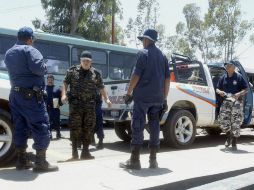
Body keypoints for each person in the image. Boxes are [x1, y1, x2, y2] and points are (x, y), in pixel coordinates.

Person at [4, 27, 58, 172]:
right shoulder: (30, 50)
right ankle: (40, 162)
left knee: (19, 127)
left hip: (15, 96)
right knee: (41, 125)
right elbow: (39, 69)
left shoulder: (9, 53)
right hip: (31, 97)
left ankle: (21, 161)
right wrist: (46, 65)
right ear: (30, 39)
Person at [119, 29, 170, 170]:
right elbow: (167, 80)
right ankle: (153, 161)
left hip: (142, 97)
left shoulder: (143, 54)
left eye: (143, 40)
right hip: (158, 98)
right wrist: (164, 98)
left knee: (138, 125)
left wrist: (128, 92)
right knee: (154, 126)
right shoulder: (163, 56)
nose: (142, 43)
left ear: (147, 40)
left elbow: (136, 75)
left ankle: (135, 160)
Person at [61, 50, 111, 160]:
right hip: (76, 104)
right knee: (75, 128)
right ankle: (74, 152)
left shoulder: (96, 74)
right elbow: (65, 83)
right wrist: (63, 95)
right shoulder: (72, 71)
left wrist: (107, 99)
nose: (86, 63)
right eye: (84, 61)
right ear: (80, 61)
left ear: (91, 62)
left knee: (88, 128)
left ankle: (85, 152)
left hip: (90, 105)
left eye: (88, 61)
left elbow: (101, 87)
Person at [216, 61, 248, 151]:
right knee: (222, 121)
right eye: (226, 66)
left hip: (237, 102)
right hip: (226, 101)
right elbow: (217, 88)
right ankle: (228, 136)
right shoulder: (223, 77)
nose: (227, 67)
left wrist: (238, 93)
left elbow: (246, 89)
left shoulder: (238, 77)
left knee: (236, 122)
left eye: (229, 66)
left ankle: (234, 141)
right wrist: (220, 92)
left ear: (233, 67)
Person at [46, 74, 62, 139]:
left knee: (57, 121)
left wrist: (60, 104)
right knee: (48, 121)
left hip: (55, 108)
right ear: (47, 80)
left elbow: (61, 98)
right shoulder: (44, 88)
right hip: (47, 108)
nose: (50, 81)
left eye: (51, 80)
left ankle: (58, 133)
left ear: (53, 80)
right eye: (49, 80)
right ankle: (50, 134)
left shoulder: (57, 88)